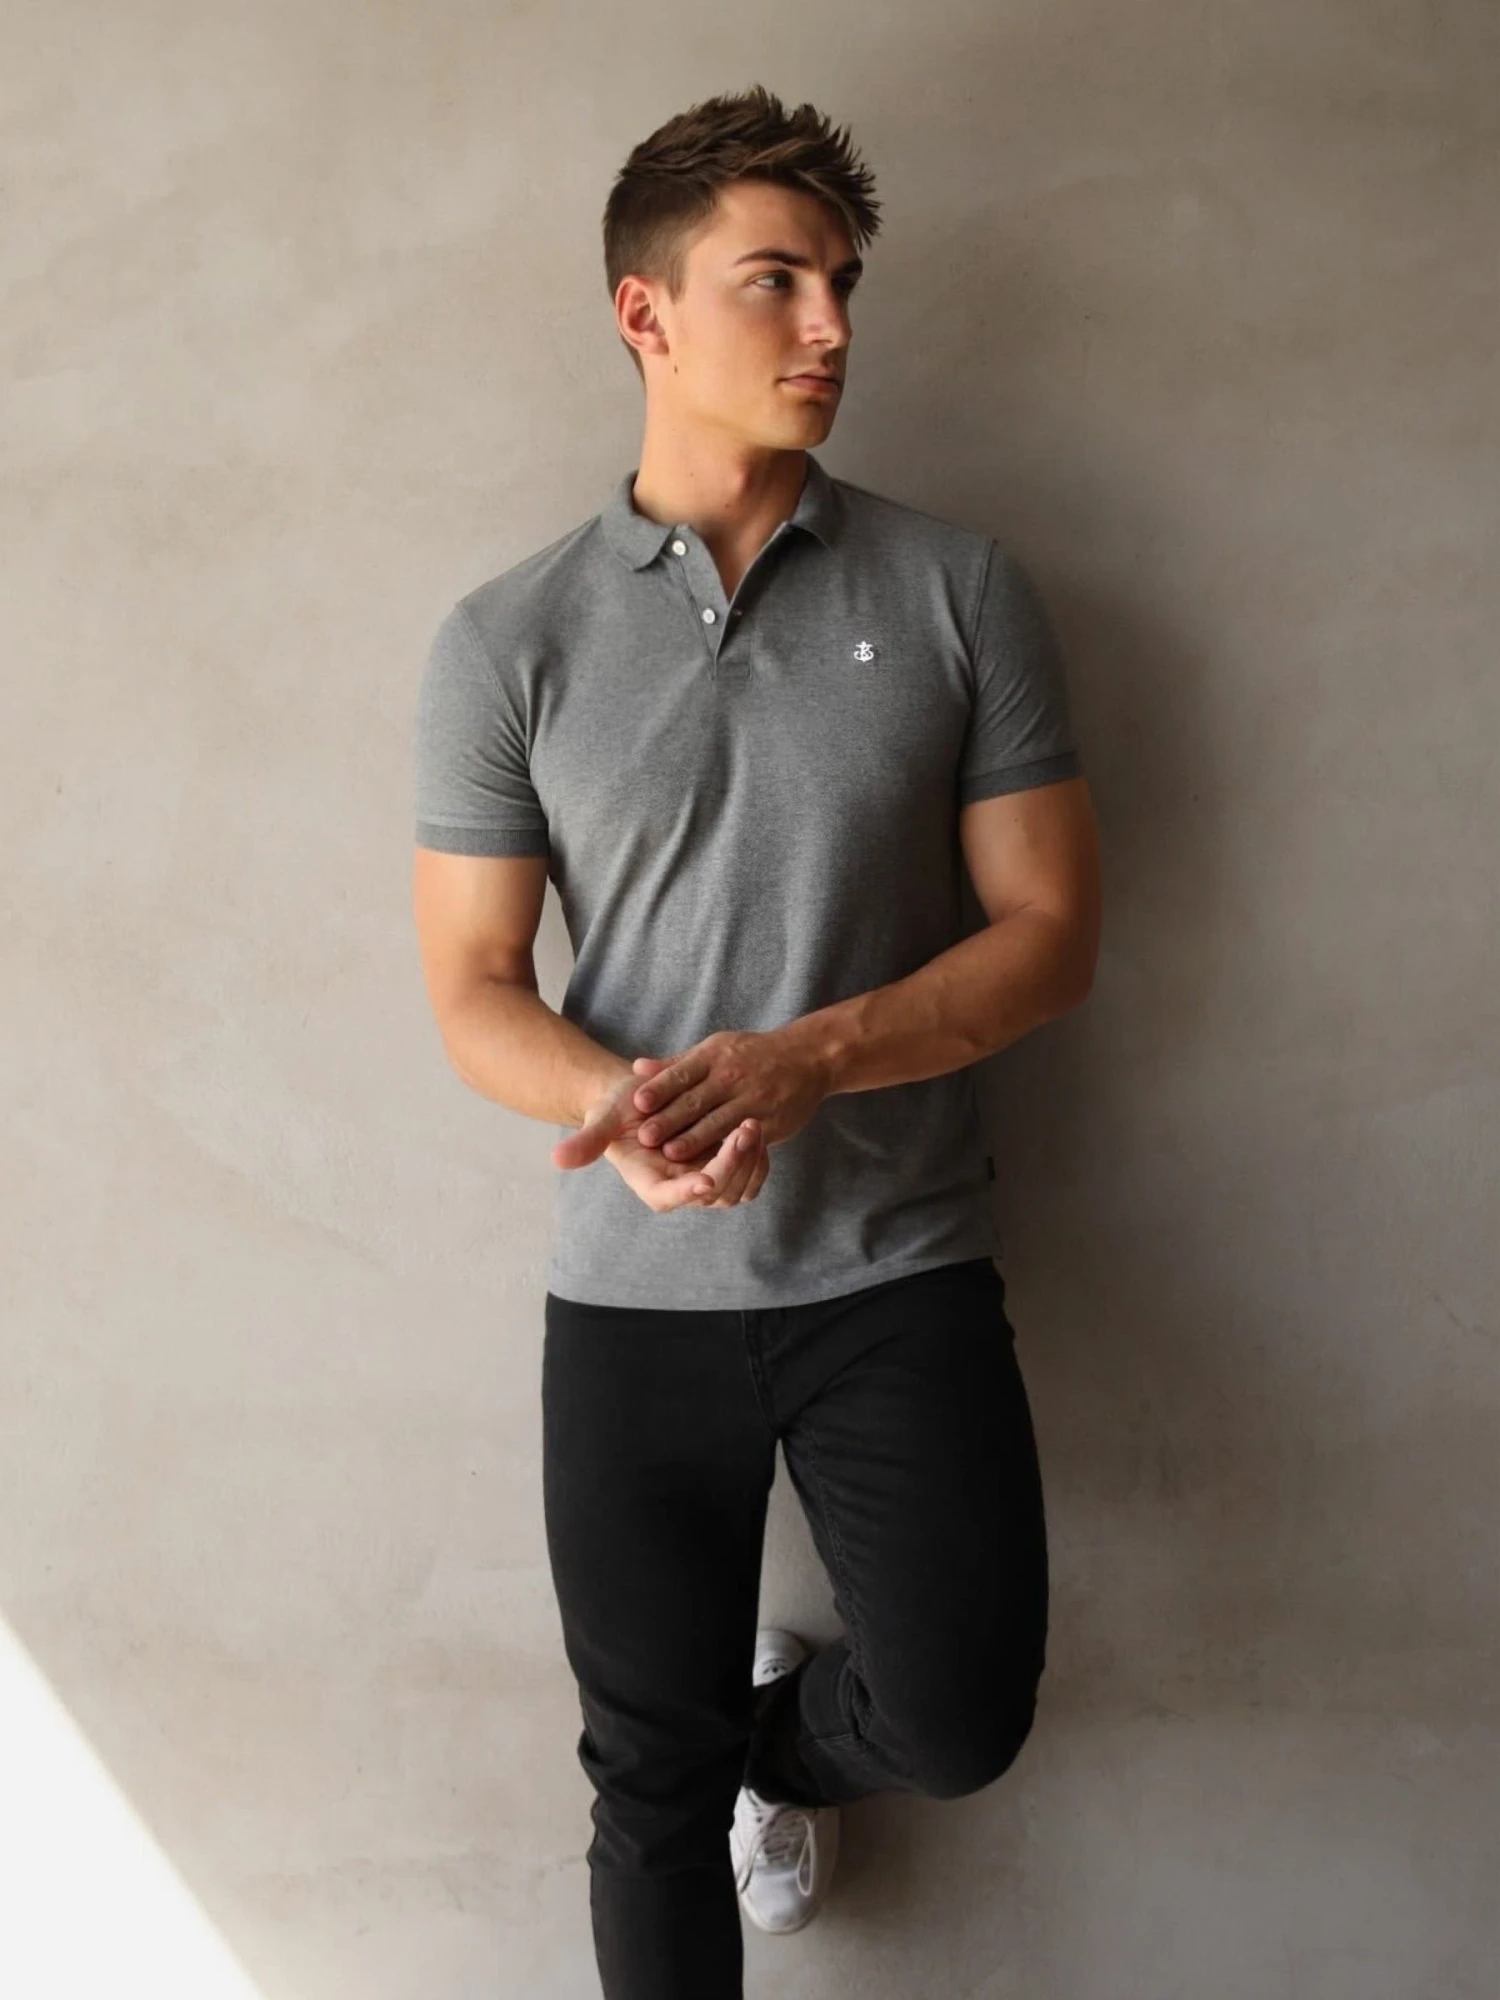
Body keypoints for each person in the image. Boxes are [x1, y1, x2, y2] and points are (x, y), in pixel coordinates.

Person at [411, 81, 1101, 2000]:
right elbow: (473, 982)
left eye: (845, 283)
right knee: (644, 1787)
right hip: (631, 1297)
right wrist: (612, 1104)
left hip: (897, 1263)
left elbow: (1053, 939)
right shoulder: (506, 641)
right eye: (777, 280)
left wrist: (812, 1061)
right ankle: (716, 1762)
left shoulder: (962, 592)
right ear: (644, 313)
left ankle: (780, 1751)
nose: (832, 327)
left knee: (959, 1718)